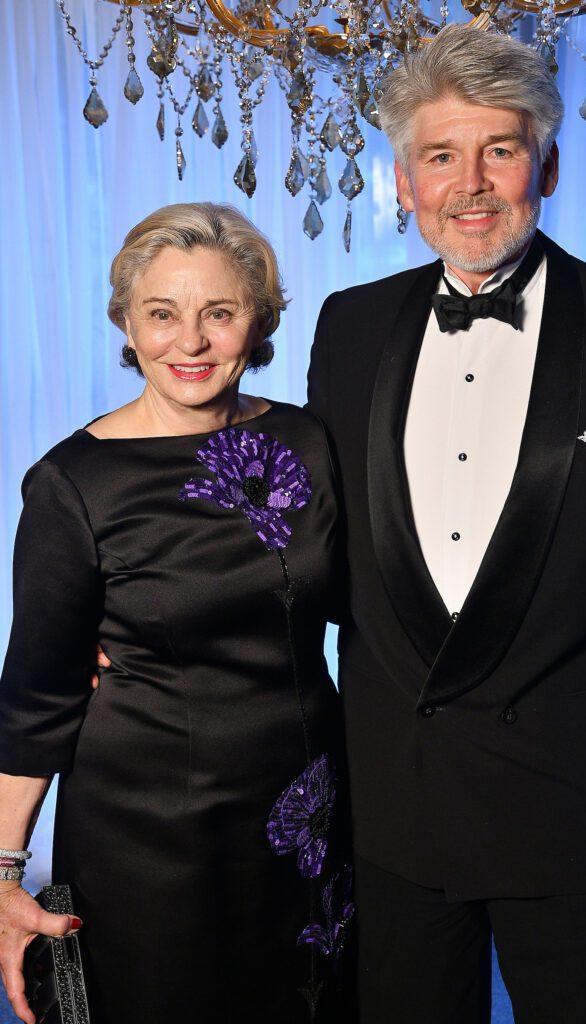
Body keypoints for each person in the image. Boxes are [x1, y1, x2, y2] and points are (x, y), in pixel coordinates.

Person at [307, 25, 586, 1024]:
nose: (471, 183)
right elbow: (305, 548)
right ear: (403, 182)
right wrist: (146, 629)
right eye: (440, 156)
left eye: (499, 149)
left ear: (550, 164)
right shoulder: (346, 326)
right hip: (393, 800)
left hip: (568, 803)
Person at [0, 202, 354, 1024]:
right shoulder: (72, 483)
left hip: (308, 813)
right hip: (146, 833)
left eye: (218, 314)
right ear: (126, 321)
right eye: (161, 314)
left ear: (258, 320)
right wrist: (4, 872)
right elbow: (37, 697)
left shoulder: (308, 442)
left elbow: (367, 600)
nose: (188, 342)